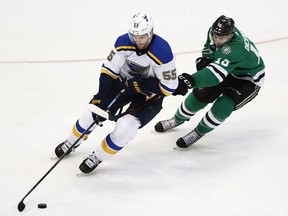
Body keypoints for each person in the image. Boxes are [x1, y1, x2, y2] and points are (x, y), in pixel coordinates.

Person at [55, 12, 178, 173]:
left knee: (127, 127)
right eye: (134, 36)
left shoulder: (163, 51)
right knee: (91, 113)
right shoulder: (123, 42)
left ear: (151, 32)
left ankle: (97, 157)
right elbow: (109, 70)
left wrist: (143, 85)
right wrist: (101, 96)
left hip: (149, 95)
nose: (137, 41)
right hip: (124, 84)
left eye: (142, 36)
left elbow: (169, 88)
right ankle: (71, 142)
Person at [155, 15, 265, 148]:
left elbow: (214, 76)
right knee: (200, 95)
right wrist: (206, 60)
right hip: (229, 69)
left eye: (222, 38)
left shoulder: (236, 48)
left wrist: (190, 81)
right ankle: (177, 120)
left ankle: (198, 132)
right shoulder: (213, 32)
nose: (217, 40)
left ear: (230, 35)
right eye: (216, 36)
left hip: (248, 79)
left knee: (223, 106)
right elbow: (209, 49)